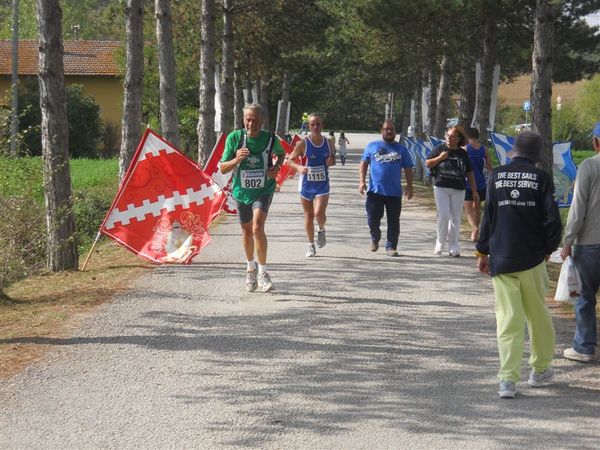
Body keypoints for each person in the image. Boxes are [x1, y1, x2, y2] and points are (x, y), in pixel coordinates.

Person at [476, 131, 562, 399]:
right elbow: (552, 219)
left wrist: (482, 251)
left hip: (501, 257)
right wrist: (548, 249)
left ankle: (507, 380)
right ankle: (539, 370)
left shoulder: (496, 176)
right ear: (536, 158)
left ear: (514, 152)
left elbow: (488, 215)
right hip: (532, 258)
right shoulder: (542, 179)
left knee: (508, 319)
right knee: (538, 315)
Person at [220, 104, 285, 292]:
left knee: (257, 227)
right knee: (247, 231)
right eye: (248, 119)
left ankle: (263, 272)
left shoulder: (271, 138)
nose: (251, 123)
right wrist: (236, 159)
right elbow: (223, 168)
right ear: (243, 120)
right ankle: (250, 268)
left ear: (261, 121)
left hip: (264, 189)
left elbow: (281, 154)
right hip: (241, 191)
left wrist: (277, 167)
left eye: (255, 119)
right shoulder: (235, 138)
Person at [560, 122, 600, 363]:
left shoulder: (588, 166)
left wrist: (567, 240)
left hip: (590, 243)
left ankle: (584, 347)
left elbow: (578, 208)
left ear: (596, 142)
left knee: (585, 297)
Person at [359, 120, 414, 257]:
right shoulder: (372, 146)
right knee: (372, 219)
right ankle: (375, 238)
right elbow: (364, 164)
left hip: (394, 193)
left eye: (392, 129)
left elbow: (408, 168)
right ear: (381, 130)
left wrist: (410, 186)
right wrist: (361, 181)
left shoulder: (401, 149)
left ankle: (391, 246)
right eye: (387, 129)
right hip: (375, 192)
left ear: (395, 131)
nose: (389, 131)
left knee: (394, 221)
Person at [286, 113, 335, 257]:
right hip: (306, 184)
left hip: (322, 184)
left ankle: (321, 228)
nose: (315, 127)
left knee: (319, 213)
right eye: (312, 124)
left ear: (322, 125)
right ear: (309, 126)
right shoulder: (303, 143)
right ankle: (310, 245)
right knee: (308, 215)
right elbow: (290, 160)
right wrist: (299, 168)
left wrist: (331, 162)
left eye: (318, 124)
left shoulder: (328, 143)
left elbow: (333, 160)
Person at [426, 125, 478, 257]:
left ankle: (454, 246)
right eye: (448, 135)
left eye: (453, 136)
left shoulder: (463, 153)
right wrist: (440, 158)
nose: (450, 138)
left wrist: (474, 190)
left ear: (459, 139)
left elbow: (470, 173)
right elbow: (428, 163)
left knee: (455, 218)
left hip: (458, 189)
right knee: (443, 215)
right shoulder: (440, 149)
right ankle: (440, 242)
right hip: (441, 187)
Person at [464, 127, 493, 242]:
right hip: (480, 182)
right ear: (477, 136)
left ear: (467, 136)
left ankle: (474, 228)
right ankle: (475, 233)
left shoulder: (465, 149)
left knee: (468, 209)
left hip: (468, 182)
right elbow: (489, 165)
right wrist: (491, 177)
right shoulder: (483, 149)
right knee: (477, 207)